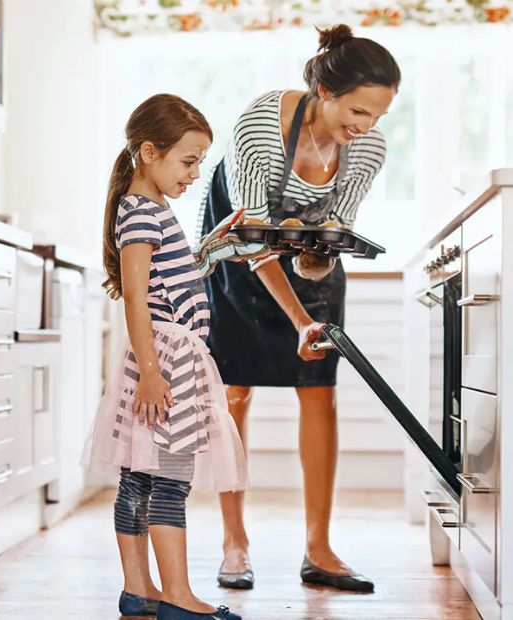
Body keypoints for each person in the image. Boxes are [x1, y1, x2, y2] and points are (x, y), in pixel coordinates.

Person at [198, 24, 401, 593]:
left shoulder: (368, 149)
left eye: (377, 117)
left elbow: (333, 236)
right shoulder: (261, 126)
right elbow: (251, 238)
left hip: (303, 247)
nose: (364, 128)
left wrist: (317, 261)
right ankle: (234, 543)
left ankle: (320, 548)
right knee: (234, 393)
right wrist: (297, 317)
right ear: (322, 88)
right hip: (241, 248)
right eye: (357, 112)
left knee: (320, 390)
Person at [83, 94, 246, 620]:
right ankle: (177, 595)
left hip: (162, 354)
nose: (195, 173)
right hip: (164, 359)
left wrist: (205, 252)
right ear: (149, 152)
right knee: (170, 478)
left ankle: (140, 591)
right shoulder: (142, 214)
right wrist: (152, 373)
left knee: (140, 476)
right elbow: (135, 296)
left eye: (199, 161)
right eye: (188, 160)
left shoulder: (147, 210)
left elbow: (157, 283)